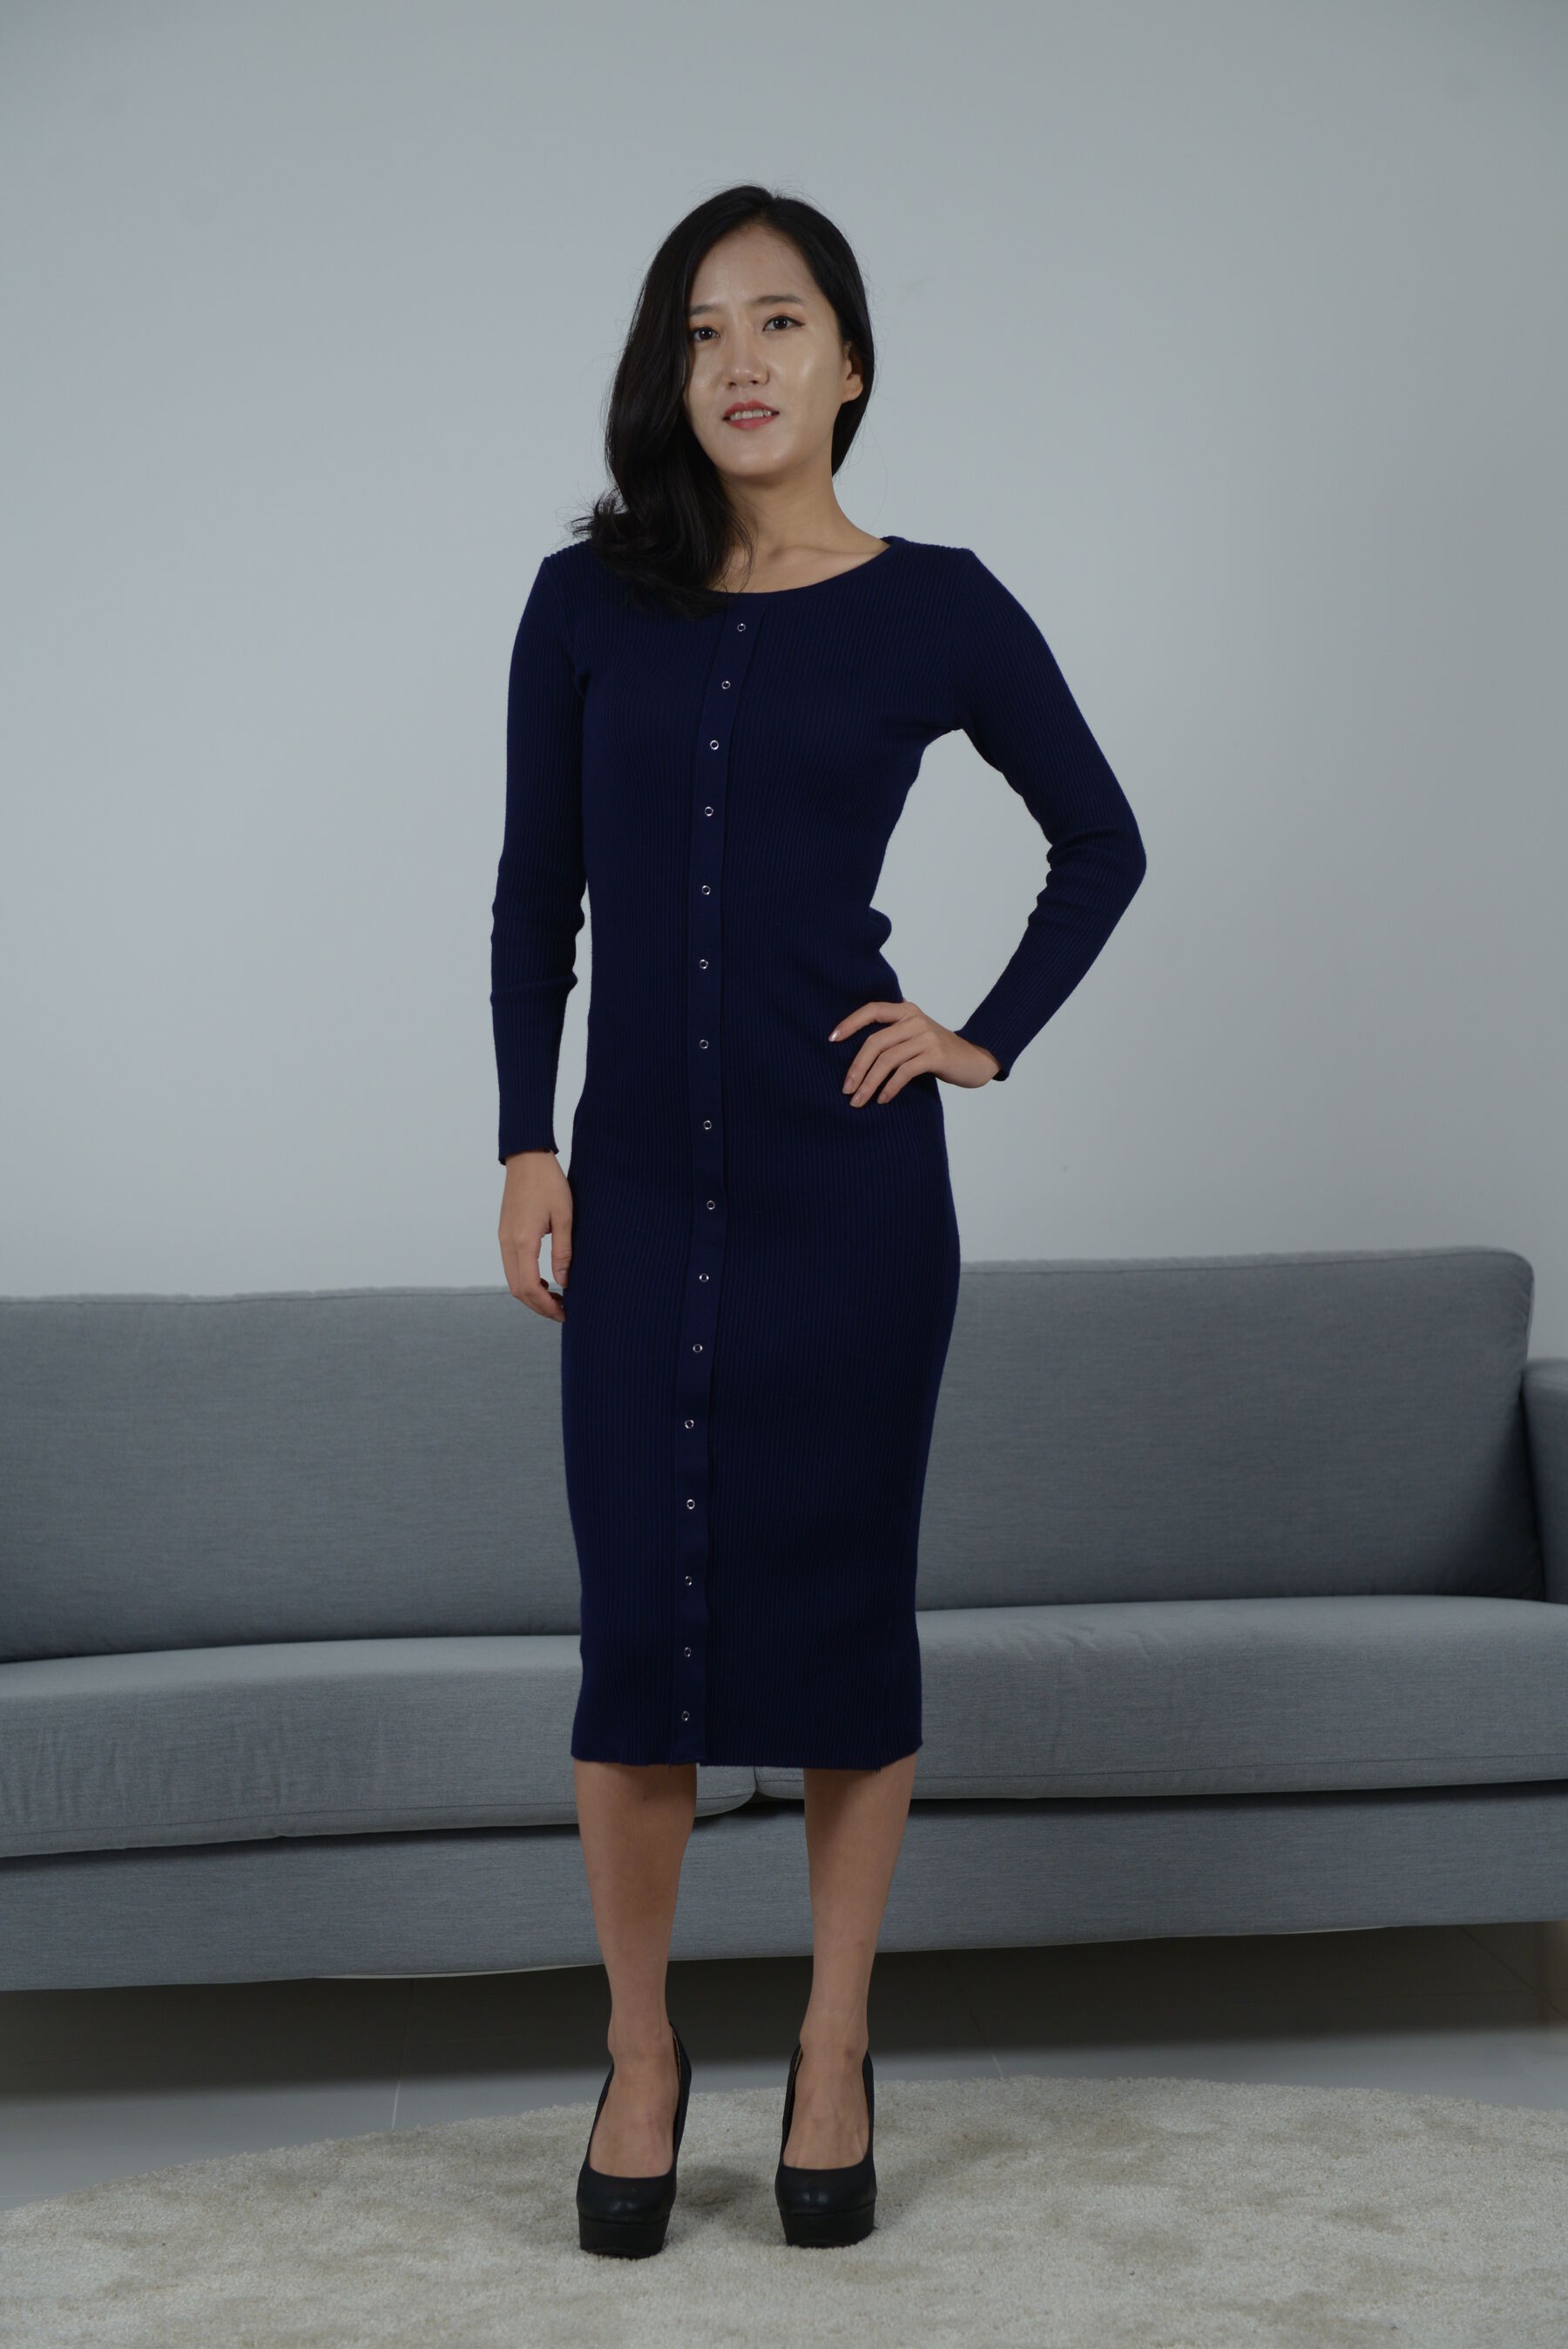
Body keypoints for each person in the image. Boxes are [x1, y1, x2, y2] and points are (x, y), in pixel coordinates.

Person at [490, 184, 1146, 2258]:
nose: (741, 363)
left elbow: (1101, 840)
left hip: (849, 1199)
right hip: (639, 1194)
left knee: (849, 1630)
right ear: (670, 372)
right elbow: (535, 898)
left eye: (780, 323)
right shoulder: (585, 605)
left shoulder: (935, 604)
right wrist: (524, 1141)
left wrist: (979, 1035)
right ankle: (642, 2053)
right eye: (704, 331)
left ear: (851, 364)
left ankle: (837, 2042)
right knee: (635, 1637)